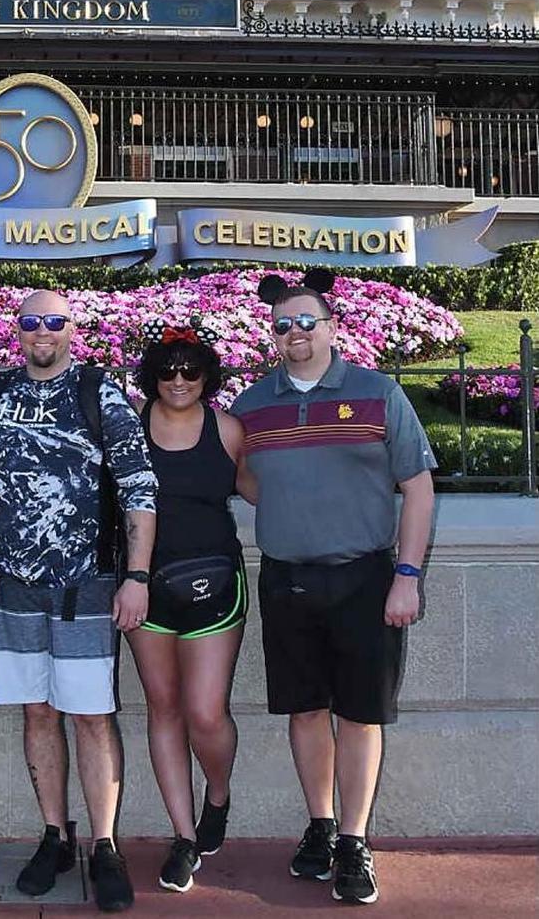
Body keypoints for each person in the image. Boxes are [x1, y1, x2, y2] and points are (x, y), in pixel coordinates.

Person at [231, 271, 436, 907]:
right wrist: (298, 509)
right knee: (305, 708)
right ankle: (320, 826)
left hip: (366, 579)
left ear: (332, 327)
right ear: (273, 334)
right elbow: (245, 480)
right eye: (283, 325)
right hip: (288, 578)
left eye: (306, 322)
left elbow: (419, 487)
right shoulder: (252, 405)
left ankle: (354, 840)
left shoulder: (378, 393)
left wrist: (407, 575)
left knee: (361, 712)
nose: (295, 333)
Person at [0, 290, 158, 914]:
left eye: (54, 322)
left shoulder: (99, 392)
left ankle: (104, 844)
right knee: (37, 712)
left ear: (71, 330)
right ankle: (55, 835)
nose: (42, 332)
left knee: (90, 714)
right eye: (32, 322)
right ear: (18, 330)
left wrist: (135, 575)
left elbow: (139, 484)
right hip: (12, 585)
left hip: (85, 584)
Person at [127, 319, 249, 894]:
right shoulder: (130, 427)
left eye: (191, 370)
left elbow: (265, 488)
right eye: (167, 370)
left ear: (207, 375)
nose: (178, 380)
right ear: (152, 374)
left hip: (214, 581)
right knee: (164, 708)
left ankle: (217, 794)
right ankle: (183, 835)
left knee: (206, 711)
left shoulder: (227, 431)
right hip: (145, 584)